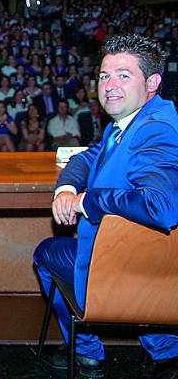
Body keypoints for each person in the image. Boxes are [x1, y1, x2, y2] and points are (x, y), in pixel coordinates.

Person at [34, 34, 178, 379]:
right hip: (148, 264)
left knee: (46, 253)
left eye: (123, 75)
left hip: (127, 268)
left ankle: (86, 351)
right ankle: (164, 348)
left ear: (153, 82)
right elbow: (89, 157)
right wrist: (67, 187)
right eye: (103, 76)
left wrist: (87, 200)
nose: (110, 86)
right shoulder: (130, 123)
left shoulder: (156, 130)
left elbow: (162, 207)